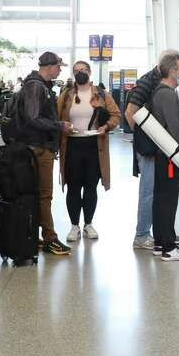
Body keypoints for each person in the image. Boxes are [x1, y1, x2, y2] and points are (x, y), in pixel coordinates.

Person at [8, 52, 72, 256]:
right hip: (38, 147)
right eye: (58, 66)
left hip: (35, 146)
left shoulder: (38, 85)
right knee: (44, 195)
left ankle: (33, 235)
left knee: (36, 194)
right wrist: (59, 125)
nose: (60, 69)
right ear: (49, 66)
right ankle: (50, 238)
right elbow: (33, 118)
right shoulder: (36, 87)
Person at [57, 59, 120, 243]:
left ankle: (89, 224)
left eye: (83, 70)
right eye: (76, 70)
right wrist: (63, 127)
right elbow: (57, 118)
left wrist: (106, 126)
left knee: (91, 186)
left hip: (94, 145)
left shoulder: (102, 95)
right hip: (72, 146)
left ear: (89, 72)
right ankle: (74, 226)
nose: (80, 73)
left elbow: (116, 115)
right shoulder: (66, 95)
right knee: (74, 187)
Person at [149, 51, 179, 261]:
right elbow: (174, 127)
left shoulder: (162, 92)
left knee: (162, 198)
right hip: (170, 154)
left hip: (164, 152)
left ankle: (161, 241)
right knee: (168, 199)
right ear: (172, 71)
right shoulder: (166, 93)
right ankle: (168, 247)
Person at [125, 59, 164, 250]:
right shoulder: (146, 83)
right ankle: (141, 235)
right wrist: (142, 138)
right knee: (148, 192)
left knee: (156, 191)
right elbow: (129, 112)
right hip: (148, 148)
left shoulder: (159, 84)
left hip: (157, 147)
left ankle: (158, 232)